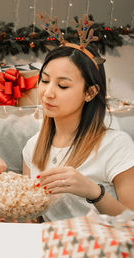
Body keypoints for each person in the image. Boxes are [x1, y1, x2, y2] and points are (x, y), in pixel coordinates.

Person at [22, 44, 134, 221]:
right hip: (50, 246)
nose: (48, 93)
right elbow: (32, 219)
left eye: (62, 85)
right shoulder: (33, 147)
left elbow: (131, 221)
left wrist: (94, 192)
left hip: (102, 246)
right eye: (44, 80)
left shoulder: (116, 145)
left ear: (90, 92)